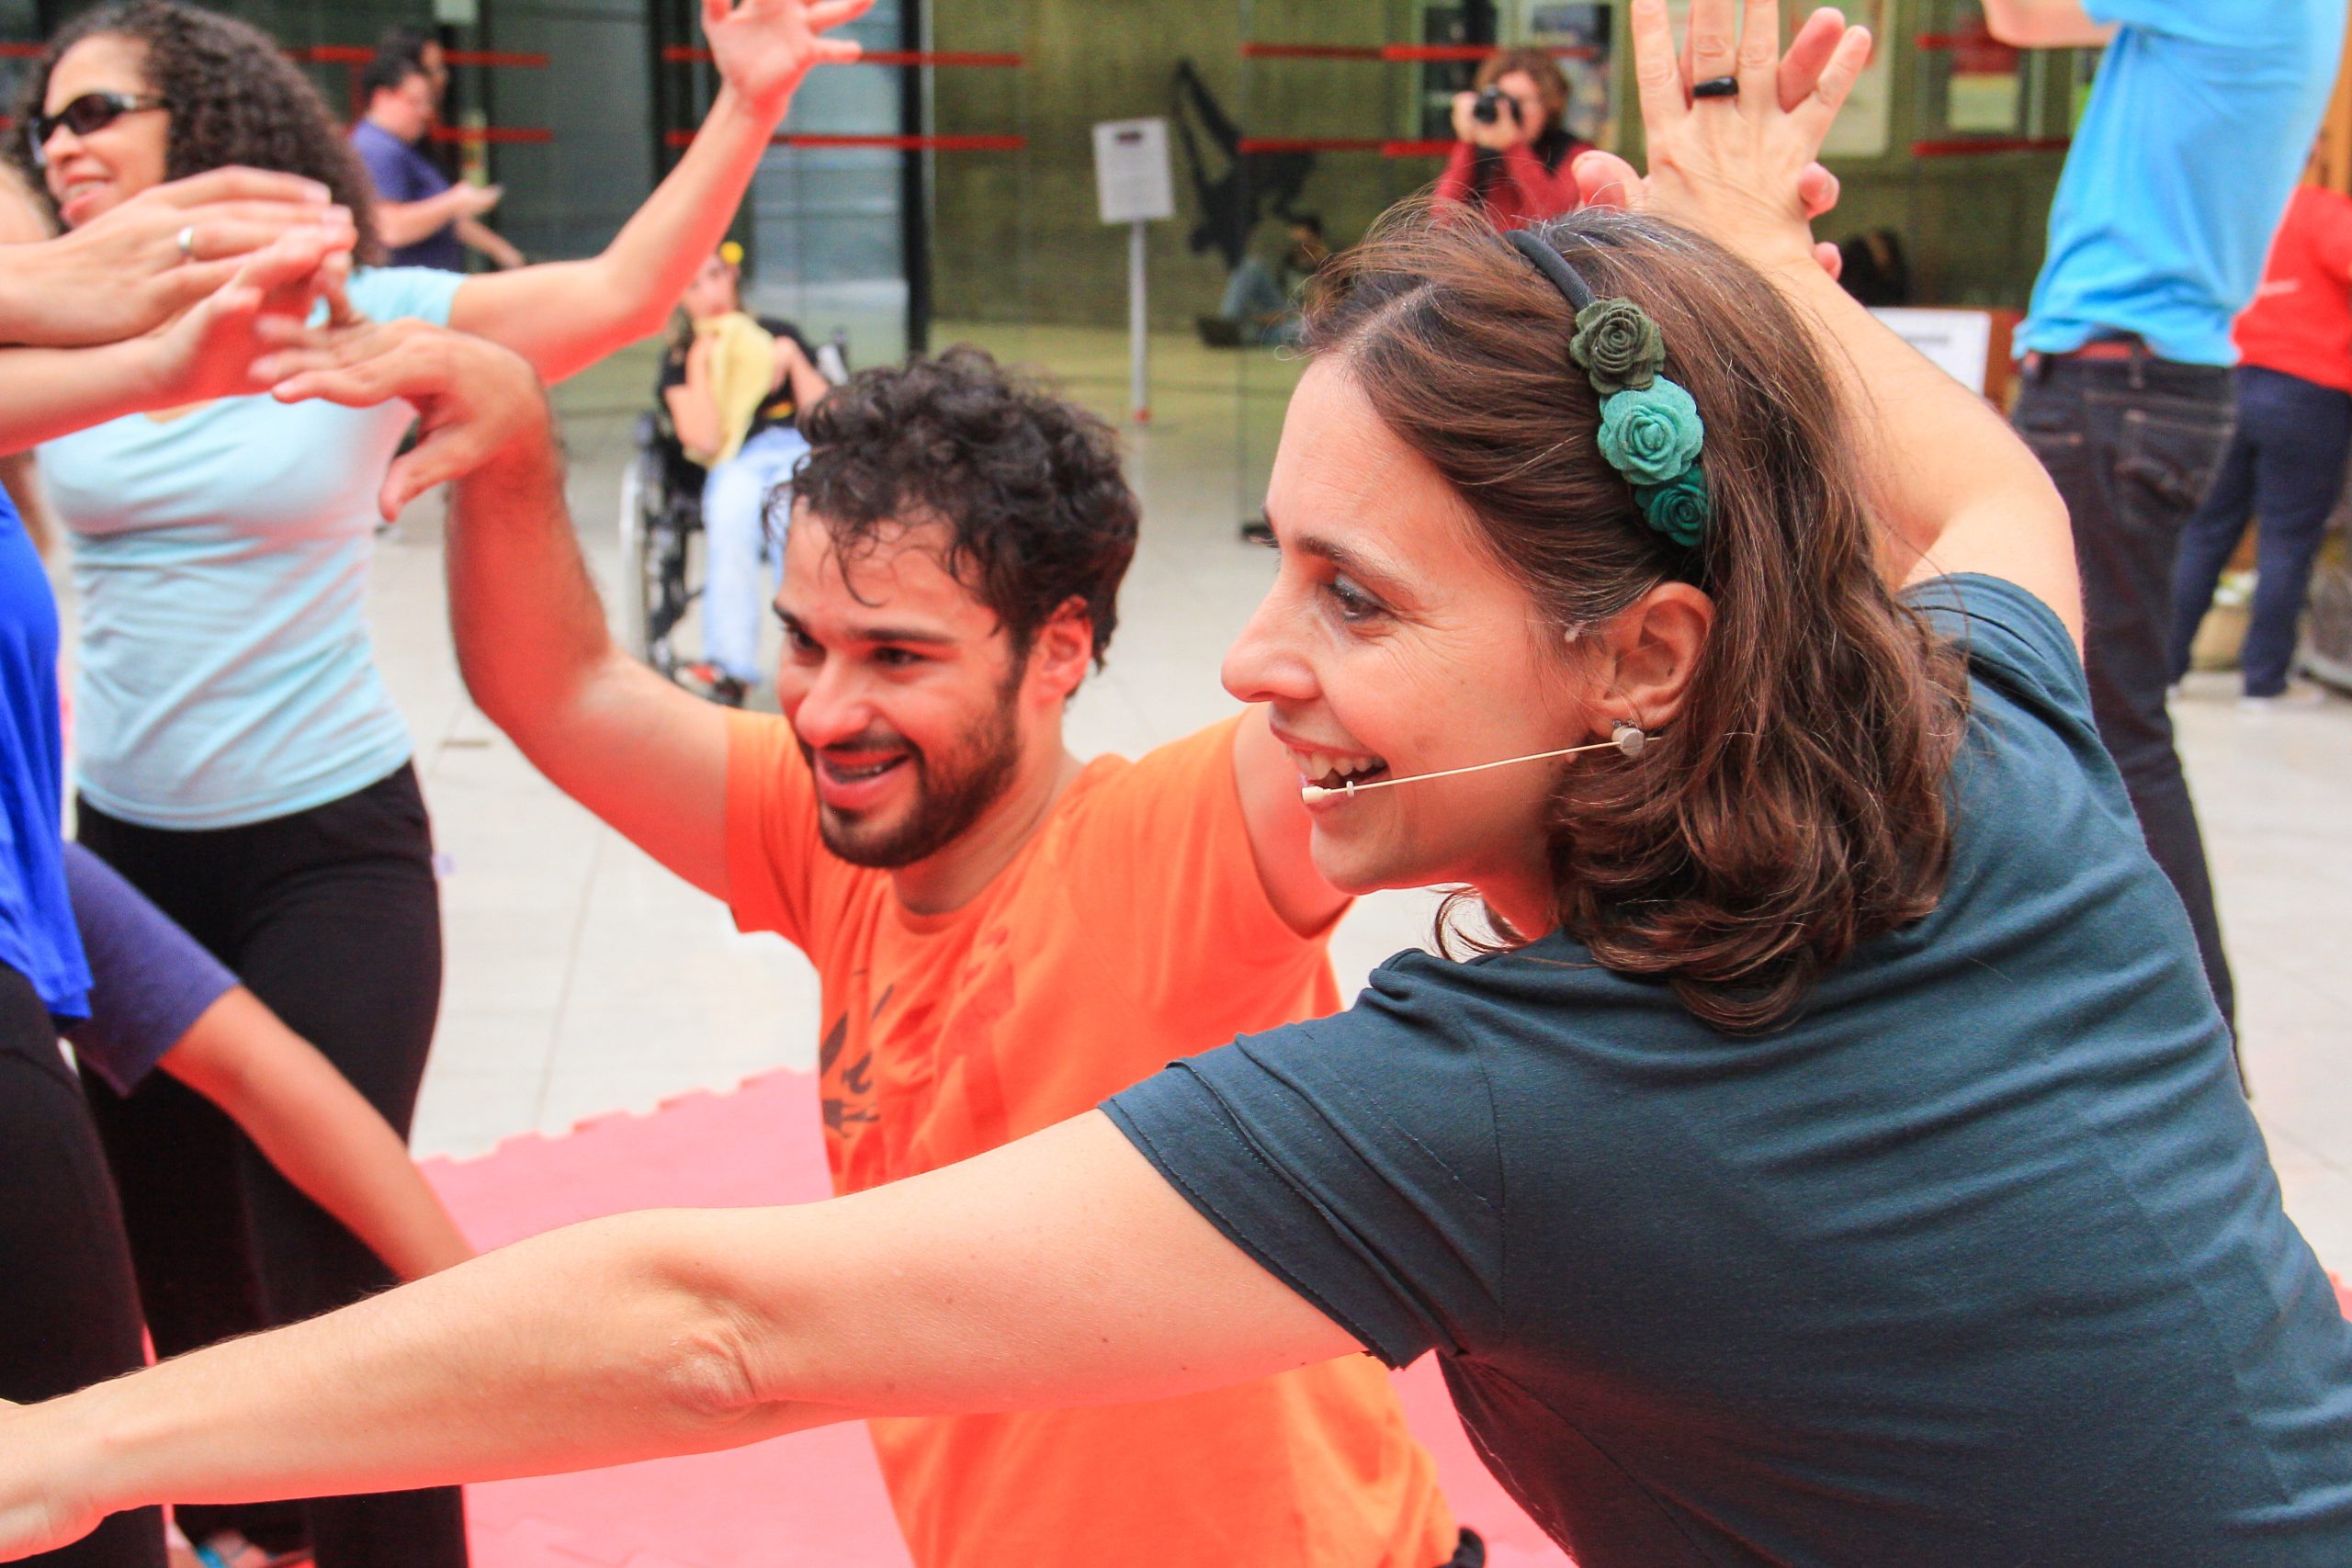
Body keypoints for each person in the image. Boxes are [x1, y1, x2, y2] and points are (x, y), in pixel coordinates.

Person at [11, 3, 2352, 1563]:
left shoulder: (1490, 1092)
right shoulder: (1988, 728)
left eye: (1354, 597)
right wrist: (1736, 262)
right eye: (1279, 565)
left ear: (1642, 652)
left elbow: (723, 1325)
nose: (1251, 661)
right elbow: (1979, 493)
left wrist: (65, 1441)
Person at [319, 325, 1471, 1567]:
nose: (825, 710)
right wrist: (508, 443)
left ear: (1059, 648)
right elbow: (561, 689)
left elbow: (1399, 673)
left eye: (897, 656)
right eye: (804, 641)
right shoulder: (834, 830)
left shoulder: (1167, 855)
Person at [8, 4, 866, 1568]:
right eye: (42, 122)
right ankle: (246, 1538)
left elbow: (620, 293)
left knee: (334, 1265)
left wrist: (747, 102)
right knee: (178, 1259)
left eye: (97, 109)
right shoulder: (48, 329)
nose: (60, 143)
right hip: (118, 849)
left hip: (325, 851)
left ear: (202, 118)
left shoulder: (358, 307)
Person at [1992, 0, 2346, 1042]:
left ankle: (2194, 1044)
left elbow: (2015, 16)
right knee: (2086, 717)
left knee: (2097, 724)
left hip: (2117, 388)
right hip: (2136, 386)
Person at [2167, 180, 2352, 707]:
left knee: (2204, 533)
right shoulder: (2318, 210)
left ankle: (2166, 673)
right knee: (2287, 539)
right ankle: (2264, 682)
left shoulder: (2230, 207)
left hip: (2226, 381)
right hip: (2306, 391)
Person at [658, 243, 831, 707]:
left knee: (797, 523)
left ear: (733, 277)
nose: (710, 293)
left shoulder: (777, 333)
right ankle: (731, 667)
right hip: (735, 459)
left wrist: (794, 362)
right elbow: (705, 440)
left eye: (715, 276)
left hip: (796, 447)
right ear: (681, 300)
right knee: (731, 523)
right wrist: (701, 365)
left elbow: (829, 420)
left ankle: (814, 653)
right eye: (694, 286)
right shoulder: (680, 359)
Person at [347, 49, 518, 272]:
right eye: (414, 102)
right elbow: (390, 227)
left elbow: (441, 221)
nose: (424, 113)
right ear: (382, 97)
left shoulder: (396, 146)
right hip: (405, 284)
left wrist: (500, 250)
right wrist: (453, 202)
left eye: (427, 103)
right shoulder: (377, 148)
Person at [1433, 47, 1586, 230]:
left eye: (1520, 101)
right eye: (1502, 100)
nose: (1511, 112)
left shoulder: (1575, 155)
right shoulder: (1484, 155)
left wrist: (1514, 147)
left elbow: (1555, 223)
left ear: (1548, 105)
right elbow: (1442, 217)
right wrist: (1467, 142)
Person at [1208, 213, 1329, 347]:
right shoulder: (1290, 261)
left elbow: (1327, 311)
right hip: (1284, 311)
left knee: (1302, 331)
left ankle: (1251, 334)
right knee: (1251, 266)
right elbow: (1281, 295)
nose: (1298, 249)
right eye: (1295, 244)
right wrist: (1272, 316)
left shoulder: (1330, 266)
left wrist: (1286, 317)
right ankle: (1227, 326)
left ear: (1316, 238)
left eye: (1303, 244)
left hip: (1305, 319)